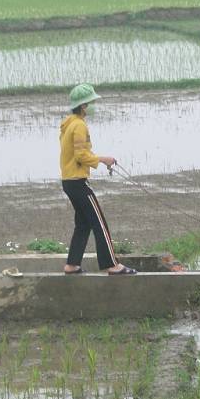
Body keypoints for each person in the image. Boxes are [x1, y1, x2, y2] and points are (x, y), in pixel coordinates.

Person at [60, 83, 136, 275]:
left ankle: (72, 265)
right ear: (84, 106)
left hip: (69, 181)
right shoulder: (78, 125)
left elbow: (79, 153)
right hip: (78, 183)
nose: (94, 105)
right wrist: (104, 159)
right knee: (99, 223)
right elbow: (80, 156)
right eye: (92, 102)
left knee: (83, 224)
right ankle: (112, 265)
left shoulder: (69, 123)